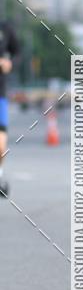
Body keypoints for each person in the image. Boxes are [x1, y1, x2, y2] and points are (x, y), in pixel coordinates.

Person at [0, 19, 20, 199]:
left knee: (1, 145)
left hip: (0, 94)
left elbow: (17, 53)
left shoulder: (5, 28)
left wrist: (10, 63)